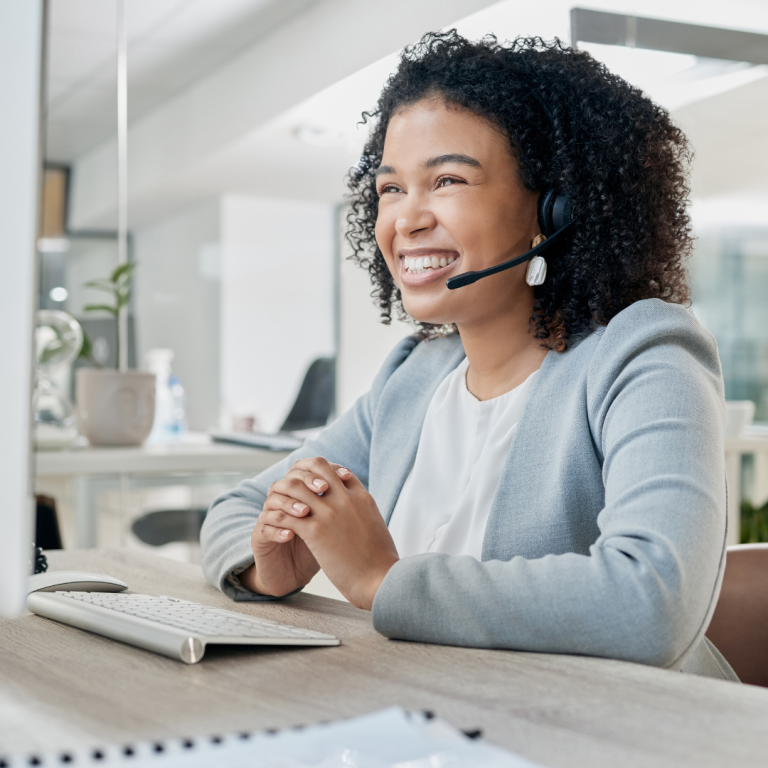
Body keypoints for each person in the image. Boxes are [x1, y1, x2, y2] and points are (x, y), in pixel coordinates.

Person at [201, 31, 736, 680]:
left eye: (447, 180)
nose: (406, 219)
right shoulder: (414, 377)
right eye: (391, 189)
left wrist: (382, 580)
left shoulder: (646, 354)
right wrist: (268, 563)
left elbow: (651, 602)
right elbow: (236, 511)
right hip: (442, 717)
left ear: (552, 208)